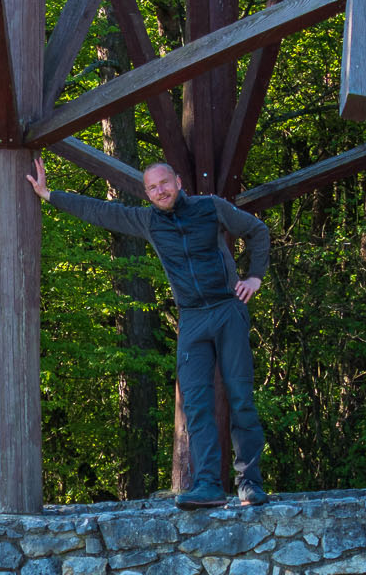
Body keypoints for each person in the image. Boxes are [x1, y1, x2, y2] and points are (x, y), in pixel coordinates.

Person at [28, 157, 270, 510]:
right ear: (147, 193)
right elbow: (100, 211)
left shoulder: (210, 208)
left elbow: (257, 232)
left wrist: (254, 277)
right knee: (196, 404)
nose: (160, 191)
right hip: (192, 319)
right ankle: (208, 485)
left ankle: (249, 483)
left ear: (178, 181)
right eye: (153, 187)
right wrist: (49, 194)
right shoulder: (148, 221)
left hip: (227, 309)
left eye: (164, 183)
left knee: (240, 399)